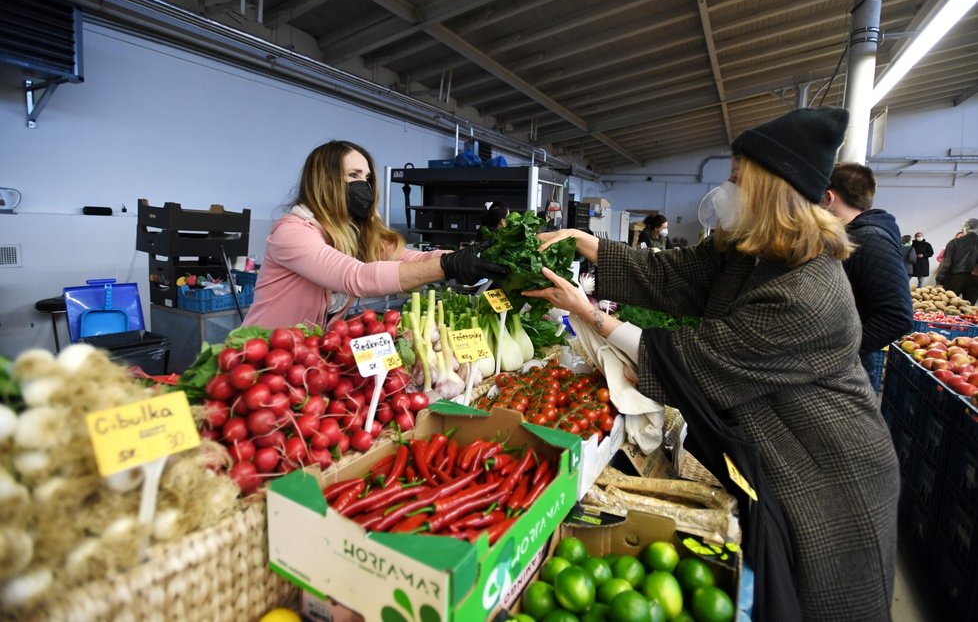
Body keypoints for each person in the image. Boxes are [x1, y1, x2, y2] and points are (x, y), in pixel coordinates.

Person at [525, 107, 899, 621]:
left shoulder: (809, 292)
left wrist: (591, 315)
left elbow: (701, 360)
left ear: (771, 190)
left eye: (736, 180)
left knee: (815, 599)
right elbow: (673, 273)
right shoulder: (752, 253)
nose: (725, 191)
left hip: (825, 471)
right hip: (771, 445)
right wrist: (588, 244)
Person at [244, 140, 507, 329]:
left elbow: (408, 259)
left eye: (367, 177)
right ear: (326, 181)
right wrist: (448, 266)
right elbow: (355, 277)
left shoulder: (354, 233)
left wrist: (472, 255)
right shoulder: (293, 231)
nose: (365, 185)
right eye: (353, 175)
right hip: (260, 358)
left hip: (306, 359)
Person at [822, 162, 914, 392]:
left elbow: (897, 316)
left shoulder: (870, 240)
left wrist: (837, 351)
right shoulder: (851, 236)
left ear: (828, 197)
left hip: (848, 371)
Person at [935, 218, 978, 303]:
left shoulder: (954, 243)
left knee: (949, 305)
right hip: (975, 279)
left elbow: (946, 264)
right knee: (968, 308)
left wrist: (939, 281)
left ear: (964, 228)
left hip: (955, 278)